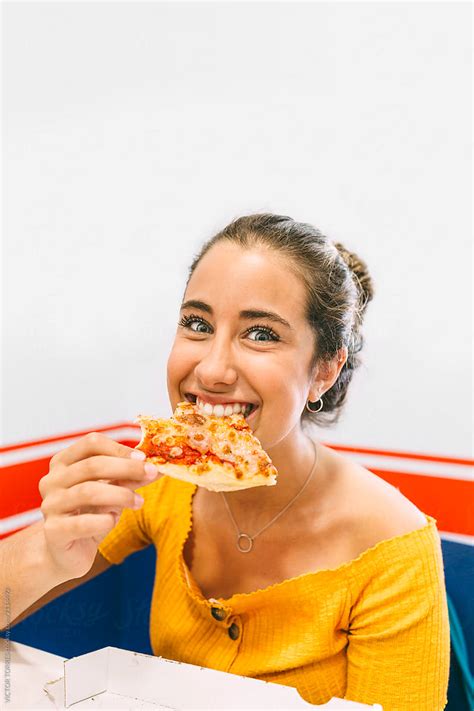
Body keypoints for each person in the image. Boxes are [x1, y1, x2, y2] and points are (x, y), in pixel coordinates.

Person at [3, 214, 449, 710]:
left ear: (324, 370)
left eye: (260, 334)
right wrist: (50, 552)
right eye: (197, 324)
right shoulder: (159, 478)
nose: (212, 369)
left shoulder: (394, 549)